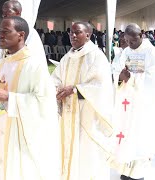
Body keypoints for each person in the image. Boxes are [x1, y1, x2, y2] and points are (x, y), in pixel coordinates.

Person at [0, 16, 61, 179]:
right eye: (0, 32)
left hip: (21, 137)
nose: (0, 35)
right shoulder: (1, 64)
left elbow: (45, 103)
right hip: (0, 133)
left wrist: (10, 98)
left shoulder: (34, 64)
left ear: (21, 35)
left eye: (6, 32)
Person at [51, 22, 113, 180]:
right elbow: (55, 78)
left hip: (87, 115)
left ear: (88, 35)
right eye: (71, 32)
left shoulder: (96, 56)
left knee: (86, 152)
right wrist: (56, 90)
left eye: (77, 32)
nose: (72, 36)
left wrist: (75, 89)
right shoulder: (67, 57)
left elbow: (101, 86)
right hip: (67, 113)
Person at [111, 23, 155, 180]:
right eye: (127, 40)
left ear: (141, 35)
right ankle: (126, 171)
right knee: (126, 134)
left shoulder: (151, 52)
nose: (130, 44)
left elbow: (153, 77)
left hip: (143, 103)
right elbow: (115, 68)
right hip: (127, 101)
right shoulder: (125, 51)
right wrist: (120, 76)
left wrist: (131, 77)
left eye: (132, 40)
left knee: (140, 136)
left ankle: (138, 174)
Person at [0, 0, 47, 66]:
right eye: (3, 12)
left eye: (8, 11)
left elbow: (31, 59)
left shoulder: (30, 33)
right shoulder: (6, 30)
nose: (4, 15)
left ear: (18, 13)